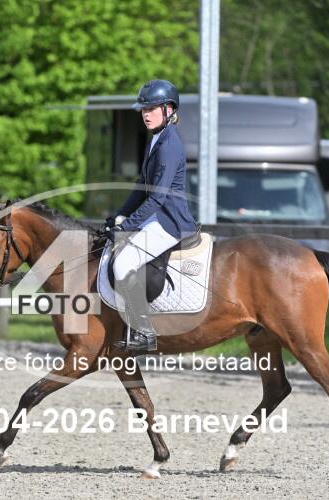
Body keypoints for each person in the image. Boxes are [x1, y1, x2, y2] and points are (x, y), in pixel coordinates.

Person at [101, 80, 197, 352]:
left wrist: (127, 228)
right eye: (144, 109)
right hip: (157, 216)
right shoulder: (155, 138)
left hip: (169, 222)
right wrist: (120, 215)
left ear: (169, 109)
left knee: (123, 263)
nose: (146, 114)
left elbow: (157, 198)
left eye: (152, 108)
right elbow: (142, 186)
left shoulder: (169, 145)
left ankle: (144, 332)